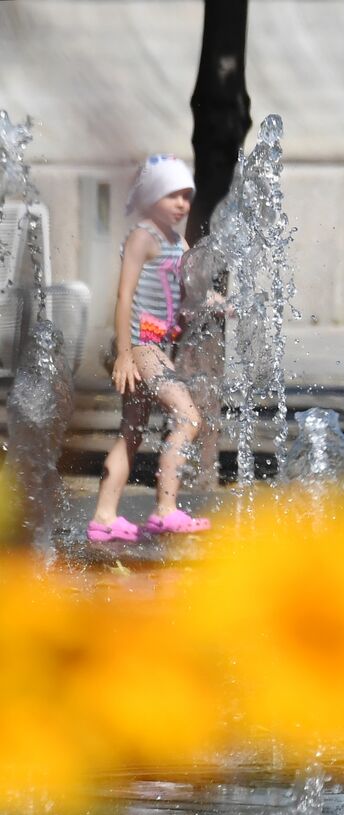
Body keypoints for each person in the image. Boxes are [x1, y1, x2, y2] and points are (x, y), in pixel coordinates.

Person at [87, 155, 210, 542]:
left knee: (130, 434)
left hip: (153, 345)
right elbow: (123, 296)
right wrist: (124, 354)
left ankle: (104, 518)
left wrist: (215, 303)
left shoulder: (176, 241)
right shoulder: (143, 237)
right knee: (188, 418)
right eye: (172, 195)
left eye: (186, 196)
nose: (181, 204)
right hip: (141, 346)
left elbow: (189, 293)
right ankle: (165, 510)